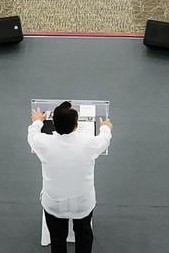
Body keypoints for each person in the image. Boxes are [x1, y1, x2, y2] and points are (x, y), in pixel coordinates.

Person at [28, 103, 113, 253]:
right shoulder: (88, 144)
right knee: (84, 236)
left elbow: (32, 135)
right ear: (76, 125)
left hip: (54, 204)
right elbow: (104, 139)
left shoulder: (43, 143)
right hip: (83, 204)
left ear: (53, 123)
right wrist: (106, 127)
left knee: (57, 239)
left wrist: (37, 121)